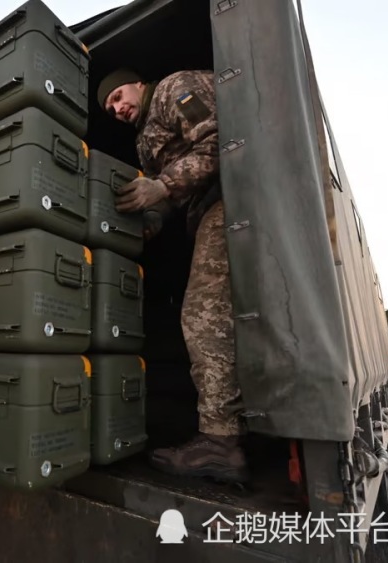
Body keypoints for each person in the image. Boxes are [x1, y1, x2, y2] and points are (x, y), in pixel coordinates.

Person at [97, 68, 248, 483]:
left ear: (138, 84)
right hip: (204, 211)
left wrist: (161, 186)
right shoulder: (144, 143)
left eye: (119, 96)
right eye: (110, 107)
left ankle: (220, 443)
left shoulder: (172, 89)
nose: (118, 108)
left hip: (233, 196)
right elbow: (170, 198)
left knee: (202, 315)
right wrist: (154, 219)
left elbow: (223, 141)